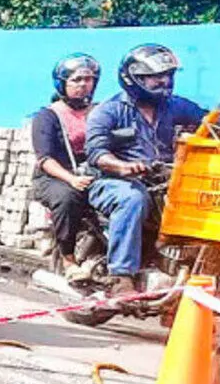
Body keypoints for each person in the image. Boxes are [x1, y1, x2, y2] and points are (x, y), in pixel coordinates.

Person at [85, 44, 208, 294]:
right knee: (132, 199)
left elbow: (211, 121)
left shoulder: (175, 106)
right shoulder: (108, 111)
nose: (164, 81)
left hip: (164, 181)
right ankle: (121, 275)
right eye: (155, 76)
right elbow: (97, 153)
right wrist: (123, 166)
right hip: (112, 182)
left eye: (168, 75)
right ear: (133, 79)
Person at [31, 54, 101, 282]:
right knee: (67, 197)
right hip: (54, 177)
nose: (83, 85)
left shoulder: (101, 111)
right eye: (77, 80)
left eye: (88, 79)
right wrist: (71, 179)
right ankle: (68, 259)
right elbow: (45, 158)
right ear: (63, 84)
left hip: (94, 173)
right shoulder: (48, 116)